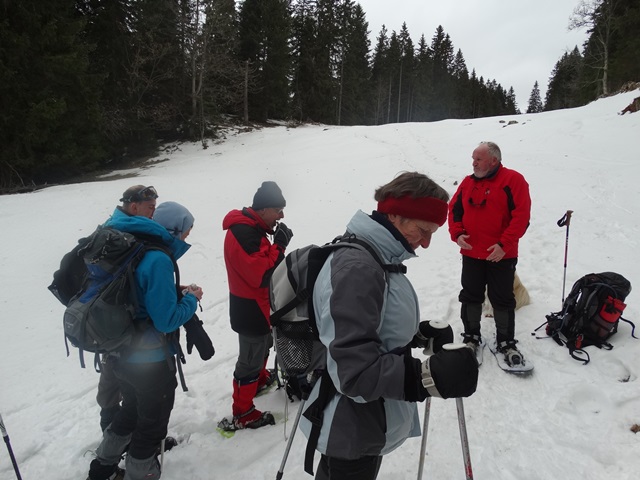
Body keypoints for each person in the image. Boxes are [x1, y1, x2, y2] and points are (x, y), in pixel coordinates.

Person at [299, 171, 478, 480]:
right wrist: (427, 377)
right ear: (394, 214)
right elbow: (353, 374)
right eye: (423, 230)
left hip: (361, 425)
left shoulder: (375, 256)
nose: (426, 243)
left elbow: (371, 330)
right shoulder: (359, 267)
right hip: (353, 425)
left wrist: (418, 334)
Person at [86, 200, 203, 480]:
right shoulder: (158, 258)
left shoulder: (130, 248)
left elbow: (135, 294)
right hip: (149, 359)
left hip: (120, 354)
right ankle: (142, 473)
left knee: (130, 412)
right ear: (175, 231)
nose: (188, 237)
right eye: (186, 232)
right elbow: (166, 320)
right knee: (151, 424)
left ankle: (101, 468)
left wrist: (172, 290)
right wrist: (190, 300)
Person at [448, 141, 531, 366]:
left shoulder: (513, 180)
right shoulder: (467, 183)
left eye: (478, 158)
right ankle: (471, 337)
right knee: (471, 295)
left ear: (493, 160)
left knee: (502, 298)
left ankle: (506, 342)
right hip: (472, 253)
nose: (473, 163)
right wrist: (457, 234)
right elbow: (454, 209)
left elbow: (522, 217)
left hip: (501, 255)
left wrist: (504, 245)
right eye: (473, 158)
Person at [220, 181, 294, 430]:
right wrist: (280, 246)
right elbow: (262, 274)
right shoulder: (244, 232)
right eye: (277, 210)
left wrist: (276, 246)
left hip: (256, 304)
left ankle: (260, 380)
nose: (281, 215)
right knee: (250, 359)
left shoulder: (252, 228)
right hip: (249, 307)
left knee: (263, 345)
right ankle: (243, 412)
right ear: (262, 210)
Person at [97, 185, 160, 432]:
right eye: (150, 207)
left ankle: (111, 437)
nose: (153, 214)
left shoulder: (109, 228)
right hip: (123, 322)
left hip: (107, 320)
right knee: (134, 384)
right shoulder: (129, 234)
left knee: (111, 378)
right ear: (134, 207)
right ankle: (132, 445)